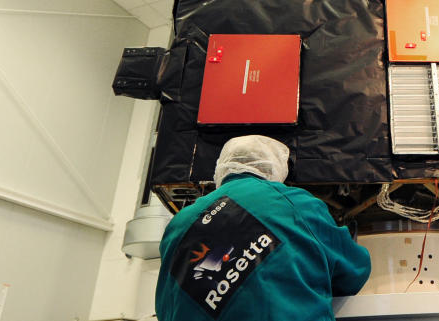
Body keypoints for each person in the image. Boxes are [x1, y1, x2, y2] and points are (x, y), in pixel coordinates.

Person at [155, 135, 372, 320]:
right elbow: (354, 271)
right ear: (274, 169)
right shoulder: (292, 202)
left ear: (221, 169)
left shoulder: (177, 225)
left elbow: (166, 308)